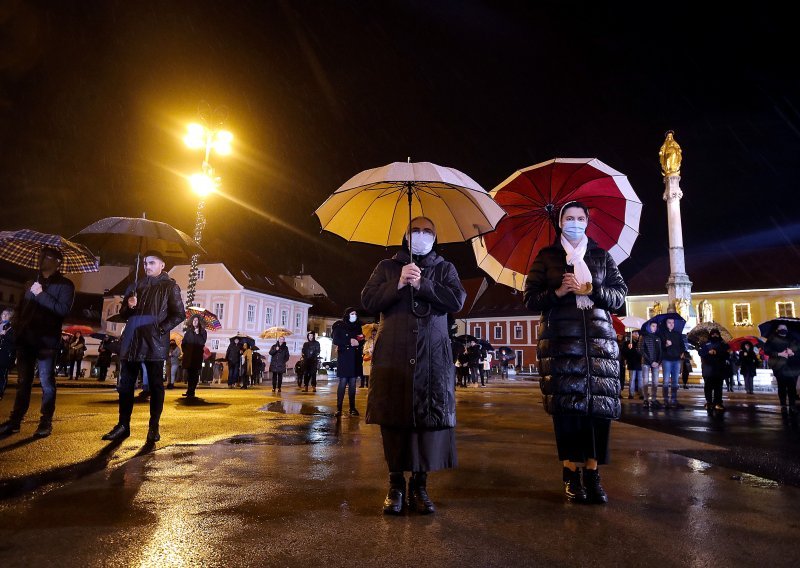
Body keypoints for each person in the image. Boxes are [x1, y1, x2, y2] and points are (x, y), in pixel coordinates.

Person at [524, 201, 627, 504]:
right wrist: (559, 292)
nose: (575, 222)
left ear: (587, 222)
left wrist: (591, 290)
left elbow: (620, 298)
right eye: (569, 218)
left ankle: (593, 475)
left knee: (598, 412)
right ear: (559, 222)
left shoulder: (602, 256)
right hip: (561, 346)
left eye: (580, 218)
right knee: (568, 413)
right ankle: (570, 474)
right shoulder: (547, 257)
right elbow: (530, 299)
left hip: (598, 345)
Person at [361, 216, 466, 515]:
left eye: (427, 231)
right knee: (394, 419)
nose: (421, 235)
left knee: (426, 421)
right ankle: (395, 485)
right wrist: (397, 282)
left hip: (431, 356)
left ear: (435, 237)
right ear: (405, 236)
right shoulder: (386, 267)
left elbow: (455, 299)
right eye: (415, 230)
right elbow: (368, 299)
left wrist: (423, 283)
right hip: (393, 355)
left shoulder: (445, 268)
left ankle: (419, 486)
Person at [101, 251, 185, 442]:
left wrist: (161, 329)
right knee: (126, 385)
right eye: (146, 263)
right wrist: (130, 306)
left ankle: (153, 426)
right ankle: (123, 425)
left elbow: (179, 314)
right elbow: (123, 314)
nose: (147, 266)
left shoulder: (170, 287)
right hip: (132, 340)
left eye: (152, 263)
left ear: (162, 265)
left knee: (155, 385)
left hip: (154, 342)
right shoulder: (135, 286)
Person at [0, 247, 75, 438]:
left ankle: (45, 422)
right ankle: (15, 421)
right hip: (26, 338)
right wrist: (17, 328)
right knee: (23, 382)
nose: (42, 259)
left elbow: (62, 310)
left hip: (46, 341)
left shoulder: (66, 285)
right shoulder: (31, 283)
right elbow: (21, 308)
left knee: (46, 382)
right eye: (42, 255)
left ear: (57, 262)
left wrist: (41, 294)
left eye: (48, 256)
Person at [332, 307, 364, 417]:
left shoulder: (357, 326)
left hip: (355, 358)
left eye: (355, 314)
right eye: (352, 313)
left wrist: (360, 340)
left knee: (353, 384)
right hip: (345, 358)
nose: (354, 315)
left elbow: (360, 339)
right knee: (343, 382)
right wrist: (349, 341)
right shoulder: (340, 326)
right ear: (347, 315)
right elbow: (336, 340)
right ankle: (339, 408)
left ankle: (352, 408)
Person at [764, 324, 799, 415]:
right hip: (778, 366)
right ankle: (783, 406)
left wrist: (793, 352)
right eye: (780, 328)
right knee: (782, 387)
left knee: (792, 387)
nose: (783, 330)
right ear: (777, 330)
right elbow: (767, 351)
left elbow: (797, 348)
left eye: (784, 328)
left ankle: (792, 405)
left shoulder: (792, 338)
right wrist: (779, 354)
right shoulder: (771, 339)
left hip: (792, 367)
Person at [698, 329, 730, 412]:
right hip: (708, 369)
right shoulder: (705, 344)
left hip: (719, 369)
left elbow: (726, 354)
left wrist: (717, 352)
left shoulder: (723, 344)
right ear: (710, 335)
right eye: (713, 334)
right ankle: (709, 402)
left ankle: (718, 402)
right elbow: (701, 352)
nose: (715, 336)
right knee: (708, 387)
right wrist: (708, 352)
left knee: (718, 387)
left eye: (716, 334)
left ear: (719, 335)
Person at [660, 317, 684, 408]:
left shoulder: (677, 334)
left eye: (672, 322)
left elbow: (682, 345)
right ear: (666, 324)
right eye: (669, 322)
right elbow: (660, 348)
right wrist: (666, 345)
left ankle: (674, 400)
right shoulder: (663, 334)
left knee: (675, 381)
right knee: (666, 381)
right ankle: (666, 401)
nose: (671, 324)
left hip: (676, 360)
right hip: (666, 360)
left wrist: (682, 352)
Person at [181, 315, 207, 398]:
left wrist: (198, 334)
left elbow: (202, 342)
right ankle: (189, 390)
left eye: (196, 320)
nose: (195, 321)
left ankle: (192, 391)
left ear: (199, 322)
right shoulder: (189, 332)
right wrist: (185, 351)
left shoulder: (202, 332)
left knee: (194, 374)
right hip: (188, 356)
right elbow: (183, 342)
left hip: (196, 356)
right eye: (194, 320)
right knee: (189, 374)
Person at [639, 322, 662, 409]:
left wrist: (658, 361)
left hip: (655, 363)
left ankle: (653, 399)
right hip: (646, 362)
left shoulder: (657, 337)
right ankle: (645, 399)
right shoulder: (643, 336)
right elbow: (640, 349)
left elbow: (660, 351)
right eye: (653, 326)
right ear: (649, 327)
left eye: (656, 326)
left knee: (655, 381)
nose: (655, 328)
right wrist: (651, 361)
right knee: (645, 381)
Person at [0, 308, 16, 400]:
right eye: (3, 314)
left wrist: (5, 335)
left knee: (2, 375)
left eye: (7, 314)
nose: (4, 315)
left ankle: (0, 393)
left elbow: (14, 341)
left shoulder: (11, 328)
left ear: (10, 317)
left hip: (4, 355)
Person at [622, 330, 643, 400]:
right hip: (632, 363)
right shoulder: (627, 343)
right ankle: (631, 394)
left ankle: (641, 394)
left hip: (640, 363)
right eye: (634, 334)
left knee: (640, 379)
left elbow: (642, 353)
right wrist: (629, 348)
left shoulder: (640, 343)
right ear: (632, 335)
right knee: (632, 379)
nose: (636, 335)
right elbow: (624, 353)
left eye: (637, 334)